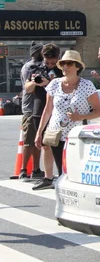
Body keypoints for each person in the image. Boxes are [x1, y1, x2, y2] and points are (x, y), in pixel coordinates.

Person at [33, 50, 100, 190]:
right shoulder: (54, 84)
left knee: (74, 168)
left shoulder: (87, 85)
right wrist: (39, 132)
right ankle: (59, 192)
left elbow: (98, 111)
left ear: (77, 67)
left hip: (77, 135)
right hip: (57, 132)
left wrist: (80, 117)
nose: (65, 67)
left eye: (69, 64)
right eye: (63, 64)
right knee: (61, 169)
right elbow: (47, 109)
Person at [18, 42, 47, 181]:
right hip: (30, 108)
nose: (45, 54)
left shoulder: (40, 67)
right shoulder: (30, 67)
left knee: (38, 141)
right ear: (36, 53)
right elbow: (28, 88)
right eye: (43, 51)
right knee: (29, 141)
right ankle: (23, 169)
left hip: (39, 107)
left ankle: (36, 169)